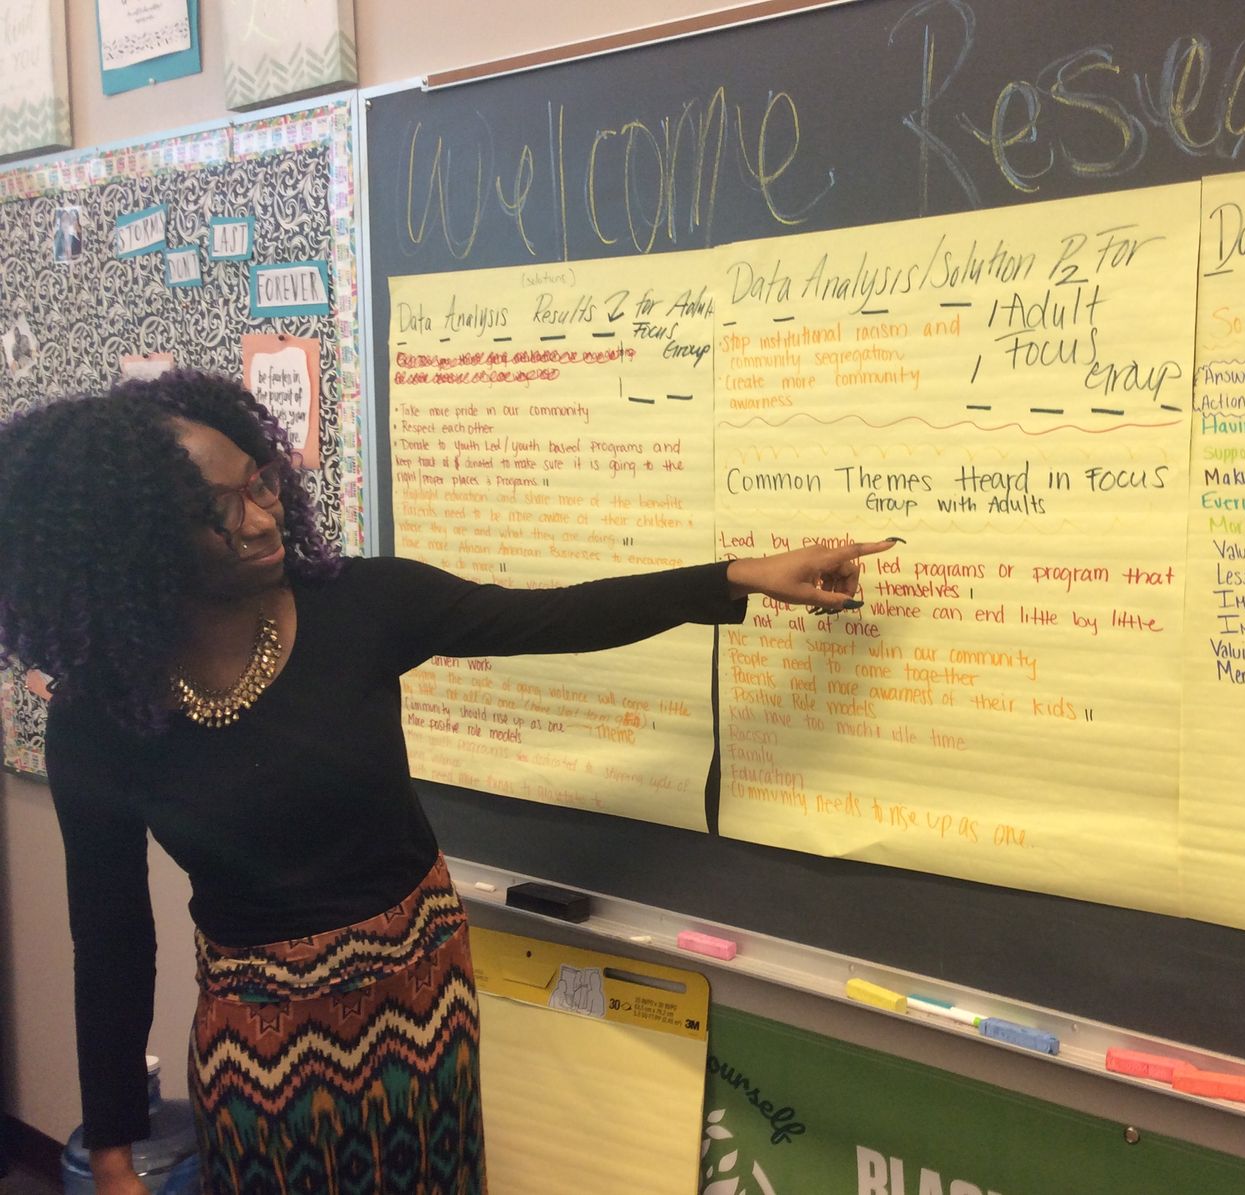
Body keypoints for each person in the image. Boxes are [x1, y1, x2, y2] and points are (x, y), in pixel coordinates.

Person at [0, 370, 892, 1194]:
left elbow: (555, 616)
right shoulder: (100, 719)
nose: (263, 518)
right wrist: (111, 1150)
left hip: (422, 1013)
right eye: (218, 510)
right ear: (136, 540)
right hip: (260, 1056)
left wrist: (737, 576)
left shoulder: (359, 604)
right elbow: (111, 940)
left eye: (261, 482)